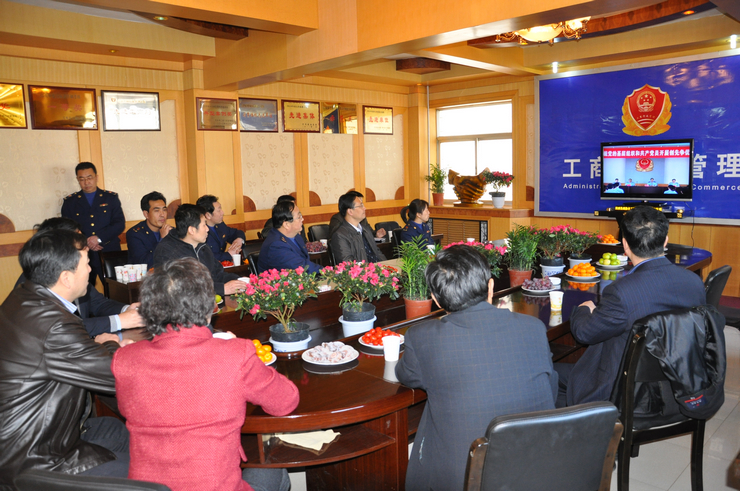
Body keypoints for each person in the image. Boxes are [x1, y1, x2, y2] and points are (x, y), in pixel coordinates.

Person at [112, 258, 298, 491]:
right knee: (274, 465)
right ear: (209, 306)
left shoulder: (125, 359)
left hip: (148, 487)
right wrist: (243, 355)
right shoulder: (236, 354)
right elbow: (286, 401)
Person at [395, 245, 557, 491]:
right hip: (538, 467)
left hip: (463, 477)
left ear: (435, 299)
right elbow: (550, 388)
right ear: (491, 287)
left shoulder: (422, 336)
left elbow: (405, 375)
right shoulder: (533, 327)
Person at [0, 229, 132, 488]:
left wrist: (99, 346)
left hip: (36, 437)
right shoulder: (53, 323)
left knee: (115, 429)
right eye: (86, 263)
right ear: (66, 277)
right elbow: (115, 375)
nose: (91, 269)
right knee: (150, 474)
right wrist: (110, 344)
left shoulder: (23, 296)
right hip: (33, 459)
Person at [554, 205, 706, 407]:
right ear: (665, 241)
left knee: (551, 375)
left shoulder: (621, 292)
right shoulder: (694, 282)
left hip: (628, 391)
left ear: (625, 245)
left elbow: (584, 334)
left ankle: (578, 424)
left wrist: (584, 309)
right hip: (680, 384)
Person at [13, 217, 145, 338]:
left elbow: (99, 304)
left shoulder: (74, 270)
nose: (85, 245)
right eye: (78, 238)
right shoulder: (34, 283)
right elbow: (63, 328)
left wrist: (127, 310)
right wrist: (119, 321)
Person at [153, 204, 246, 296]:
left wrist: (240, 281)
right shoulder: (166, 252)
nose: (207, 229)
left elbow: (218, 275)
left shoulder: (202, 246)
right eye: (204, 225)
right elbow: (181, 289)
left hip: (210, 300)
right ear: (191, 230)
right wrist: (222, 289)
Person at [61, 161, 125, 286]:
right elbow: (66, 229)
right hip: (82, 253)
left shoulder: (110, 198)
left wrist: (99, 238)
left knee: (115, 289)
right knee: (83, 290)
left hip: (108, 250)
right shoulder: (70, 202)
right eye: (82, 179)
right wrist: (86, 242)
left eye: (89, 177)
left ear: (96, 177)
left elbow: (119, 224)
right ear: (78, 180)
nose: (86, 182)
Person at [258, 201, 321, 274]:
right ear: (286, 225)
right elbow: (301, 267)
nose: (302, 219)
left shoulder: (296, 236)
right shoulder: (276, 246)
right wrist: (326, 271)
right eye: (299, 217)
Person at [330, 192, 387, 263]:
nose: (364, 208)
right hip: (363, 269)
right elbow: (348, 264)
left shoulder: (365, 229)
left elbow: (377, 253)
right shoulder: (340, 235)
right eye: (361, 206)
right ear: (350, 211)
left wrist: (387, 265)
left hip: (377, 268)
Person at [126, 191, 172, 269]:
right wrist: (162, 240)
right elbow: (145, 264)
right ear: (146, 214)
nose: (162, 214)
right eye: (157, 211)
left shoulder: (171, 231)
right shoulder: (135, 234)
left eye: (164, 210)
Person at [196, 195, 246, 262]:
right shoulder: (199, 232)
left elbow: (237, 232)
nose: (222, 213)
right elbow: (205, 257)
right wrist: (229, 254)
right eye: (219, 210)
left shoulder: (220, 225)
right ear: (208, 215)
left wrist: (239, 240)